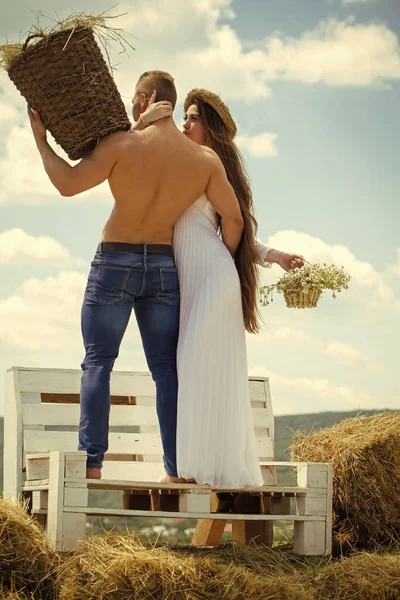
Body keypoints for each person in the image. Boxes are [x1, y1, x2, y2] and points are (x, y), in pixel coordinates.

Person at [27, 70, 246, 482]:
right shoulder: (203, 159)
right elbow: (232, 217)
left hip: (114, 262)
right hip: (164, 267)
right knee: (166, 369)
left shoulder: (122, 145)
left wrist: (41, 142)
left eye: (133, 98)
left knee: (98, 363)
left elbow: (68, 184)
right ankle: (175, 469)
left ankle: (91, 463)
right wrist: (222, 261)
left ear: (145, 99)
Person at [136, 88, 304, 487]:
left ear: (209, 128)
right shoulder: (183, 164)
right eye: (185, 116)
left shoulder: (211, 168)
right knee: (193, 369)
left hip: (213, 278)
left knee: (197, 364)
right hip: (193, 281)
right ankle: (197, 468)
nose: (185, 123)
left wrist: (254, 257)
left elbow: (236, 224)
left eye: (193, 118)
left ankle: (201, 470)